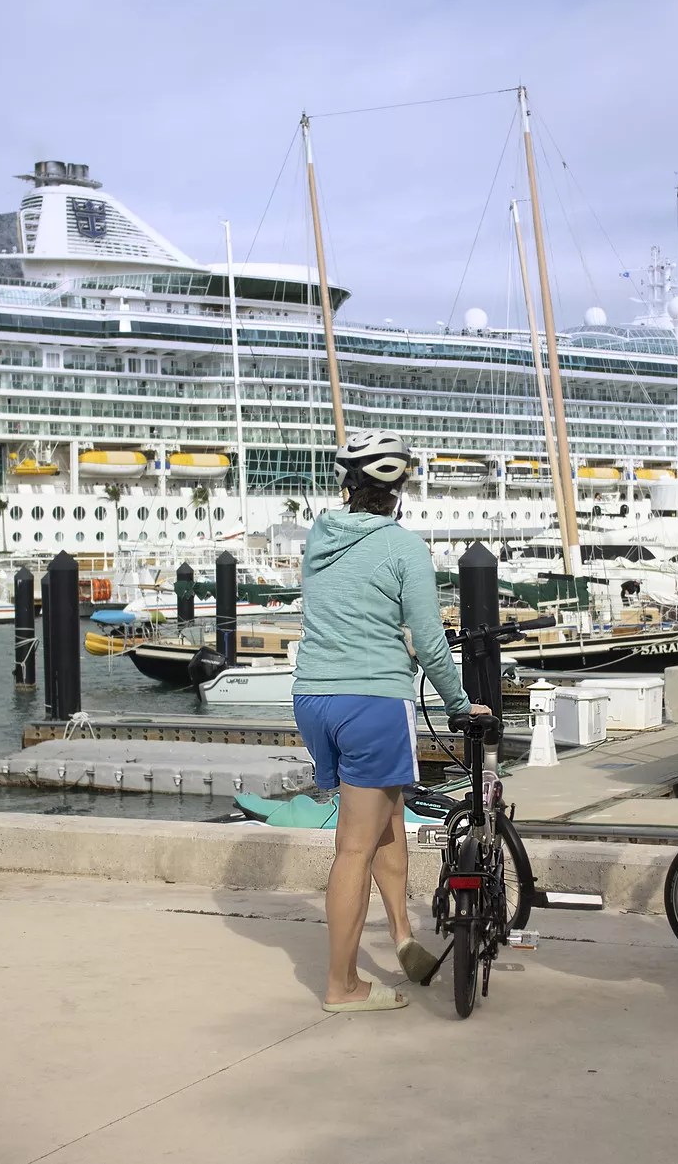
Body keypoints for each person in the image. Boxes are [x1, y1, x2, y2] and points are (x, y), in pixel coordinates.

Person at [293, 430, 490, 1013]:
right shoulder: (403, 546)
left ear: (346, 484)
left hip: (313, 699)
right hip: (373, 702)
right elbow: (429, 640)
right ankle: (342, 985)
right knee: (353, 849)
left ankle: (403, 936)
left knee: (388, 815)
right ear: (399, 490)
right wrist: (458, 703)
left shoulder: (318, 537)